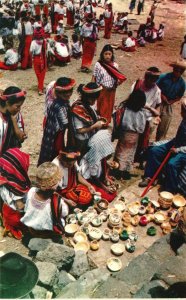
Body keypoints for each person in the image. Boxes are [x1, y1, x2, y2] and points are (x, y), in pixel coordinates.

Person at [71, 82, 116, 201]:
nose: (94, 101)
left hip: (90, 137)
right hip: (81, 140)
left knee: (94, 158)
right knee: (85, 161)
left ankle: (93, 175)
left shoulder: (89, 105)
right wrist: (94, 126)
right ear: (87, 97)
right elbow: (80, 130)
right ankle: (82, 176)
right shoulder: (78, 108)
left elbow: (92, 117)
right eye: (93, 99)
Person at [139, 98, 186, 195]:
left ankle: (170, 190)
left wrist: (177, 150)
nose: (181, 112)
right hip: (176, 142)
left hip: (183, 150)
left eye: (183, 110)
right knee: (154, 151)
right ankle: (150, 177)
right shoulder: (184, 119)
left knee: (172, 164)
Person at [112, 90, 156, 180]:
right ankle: (124, 171)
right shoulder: (143, 112)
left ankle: (118, 170)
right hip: (135, 135)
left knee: (121, 152)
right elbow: (157, 114)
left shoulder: (125, 109)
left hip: (124, 133)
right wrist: (149, 107)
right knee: (129, 153)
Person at [21, 162, 70, 240]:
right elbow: (65, 213)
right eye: (58, 180)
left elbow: (26, 206)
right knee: (62, 218)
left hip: (32, 229)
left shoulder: (31, 191)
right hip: (47, 232)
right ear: (54, 185)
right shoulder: (57, 201)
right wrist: (65, 203)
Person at [38, 77, 76, 165]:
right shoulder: (60, 106)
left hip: (53, 131)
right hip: (56, 133)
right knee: (56, 150)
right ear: (58, 93)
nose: (68, 94)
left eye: (70, 91)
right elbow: (65, 123)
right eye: (65, 92)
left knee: (48, 149)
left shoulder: (61, 101)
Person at [131, 67, 161, 166]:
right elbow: (130, 97)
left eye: (155, 79)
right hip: (134, 114)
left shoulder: (157, 90)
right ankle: (130, 158)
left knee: (143, 140)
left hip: (146, 117)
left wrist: (155, 116)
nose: (152, 81)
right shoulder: (137, 84)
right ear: (146, 77)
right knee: (132, 138)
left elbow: (158, 105)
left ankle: (138, 159)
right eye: (150, 79)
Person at [0, 148, 30, 240]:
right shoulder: (16, 188)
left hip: (6, 209)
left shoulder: (5, 177)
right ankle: (12, 227)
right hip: (14, 214)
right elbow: (20, 207)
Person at [92, 44, 126, 124]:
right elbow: (94, 76)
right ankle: (99, 123)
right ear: (102, 54)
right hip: (101, 89)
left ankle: (105, 124)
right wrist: (92, 89)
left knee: (109, 107)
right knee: (101, 107)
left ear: (112, 55)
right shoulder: (98, 64)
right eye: (105, 54)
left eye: (109, 54)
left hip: (111, 91)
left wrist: (116, 84)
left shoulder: (115, 65)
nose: (107, 56)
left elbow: (118, 77)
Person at [156, 60, 186, 141]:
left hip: (168, 104)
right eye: (177, 69)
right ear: (173, 68)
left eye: (181, 70)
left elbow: (179, 96)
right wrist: (162, 95)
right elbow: (155, 87)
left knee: (164, 126)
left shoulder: (182, 83)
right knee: (152, 124)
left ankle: (158, 143)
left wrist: (172, 101)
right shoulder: (164, 76)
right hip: (158, 101)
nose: (178, 71)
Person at [0, 86, 27, 157]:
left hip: (10, 157)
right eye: (17, 106)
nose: (19, 109)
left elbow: (21, 138)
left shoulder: (16, 115)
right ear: (7, 103)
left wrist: (14, 121)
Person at [30, 26, 47, 95]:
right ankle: (41, 88)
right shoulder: (44, 41)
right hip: (43, 58)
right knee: (42, 74)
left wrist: (32, 58)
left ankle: (40, 87)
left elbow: (31, 51)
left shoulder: (33, 42)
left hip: (36, 59)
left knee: (38, 74)